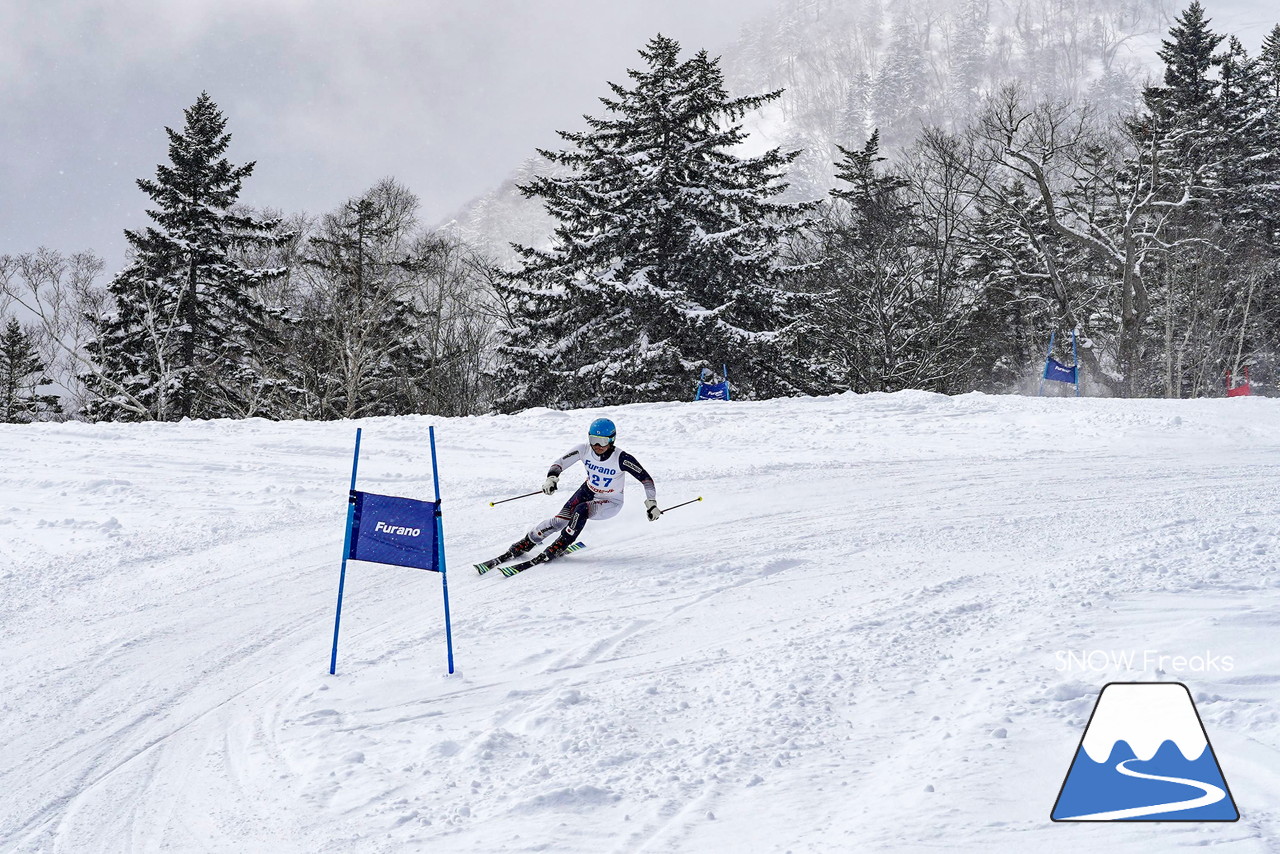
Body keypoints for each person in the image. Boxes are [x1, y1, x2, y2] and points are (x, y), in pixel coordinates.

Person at [480, 417, 660, 571]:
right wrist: (551, 478)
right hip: (588, 490)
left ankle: (558, 546)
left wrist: (651, 502)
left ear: (612, 440)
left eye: (603, 441)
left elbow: (646, 479)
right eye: (594, 439)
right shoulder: (583, 449)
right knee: (559, 521)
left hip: (610, 501)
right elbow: (559, 463)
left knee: (581, 510)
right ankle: (525, 543)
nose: (597, 445)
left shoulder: (622, 458)